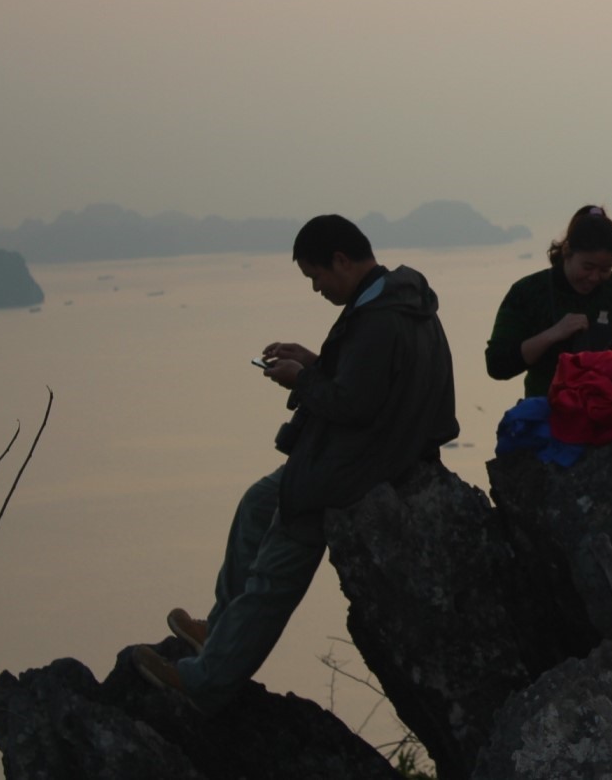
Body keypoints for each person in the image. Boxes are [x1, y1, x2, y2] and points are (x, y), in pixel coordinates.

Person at [134, 215, 458, 710]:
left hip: (352, 471)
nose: (316, 288)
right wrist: (314, 361)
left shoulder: (379, 318)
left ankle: (207, 680)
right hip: (367, 454)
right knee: (258, 504)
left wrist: (299, 381)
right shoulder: (396, 301)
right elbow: (372, 383)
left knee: (273, 575)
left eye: (317, 276)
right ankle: (219, 629)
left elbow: (355, 405)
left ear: (341, 261)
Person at [485, 205, 612, 399]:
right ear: (567, 252)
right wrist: (553, 334)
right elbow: (497, 364)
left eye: (605, 269)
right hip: (549, 412)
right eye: (587, 267)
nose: (594, 277)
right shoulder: (528, 292)